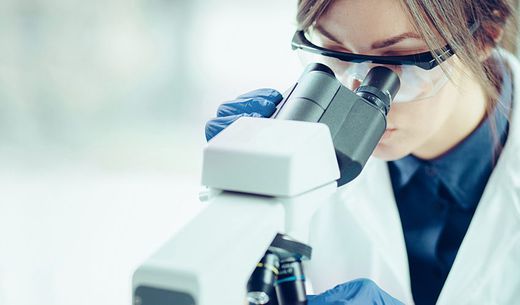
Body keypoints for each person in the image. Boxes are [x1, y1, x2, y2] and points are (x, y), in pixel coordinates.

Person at [205, 0, 520, 304]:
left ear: (484, 35)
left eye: (399, 58)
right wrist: (238, 200)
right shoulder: (299, 146)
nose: (357, 91)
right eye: (335, 52)